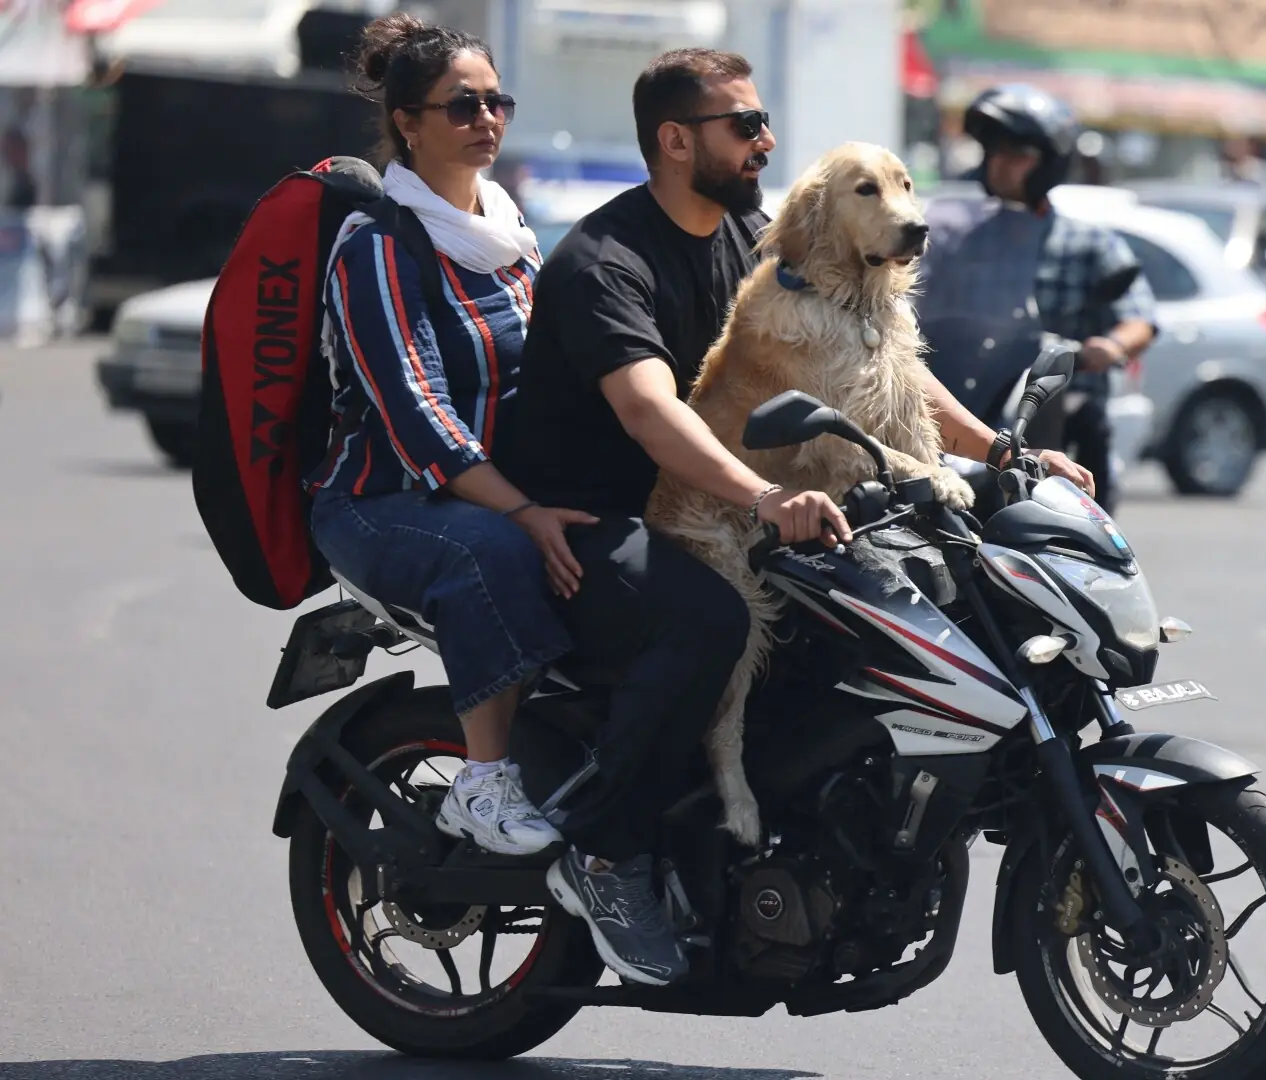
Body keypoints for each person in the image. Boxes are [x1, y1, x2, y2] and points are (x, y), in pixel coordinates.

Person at [500, 49, 1095, 987]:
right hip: (602, 516)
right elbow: (654, 413)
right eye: (743, 125)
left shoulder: (755, 237)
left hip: (745, 497)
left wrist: (1002, 454)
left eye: (763, 121)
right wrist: (764, 497)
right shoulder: (602, 260)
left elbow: (879, 357)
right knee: (709, 621)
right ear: (673, 139)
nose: (765, 141)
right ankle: (608, 853)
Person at [304, 14, 596, 858]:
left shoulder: (508, 233)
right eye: (461, 106)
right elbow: (417, 418)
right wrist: (527, 513)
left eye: (494, 101)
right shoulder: (382, 249)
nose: (486, 120)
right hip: (382, 499)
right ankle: (485, 782)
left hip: (500, 484)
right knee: (492, 553)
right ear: (408, 123)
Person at [956, 83, 1158, 512]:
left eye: (1017, 153)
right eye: (994, 151)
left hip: (1056, 405)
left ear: (1049, 163)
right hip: (982, 403)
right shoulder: (963, 238)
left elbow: (1140, 318)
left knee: (1090, 419)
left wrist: (1110, 346)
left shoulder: (1087, 243)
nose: (1000, 164)